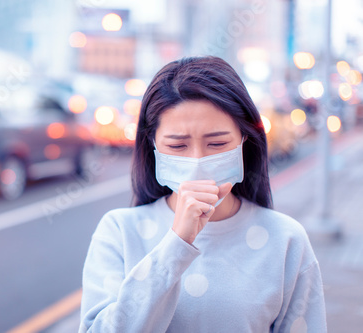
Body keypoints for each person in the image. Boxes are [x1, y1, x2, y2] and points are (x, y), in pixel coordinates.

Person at [79, 56, 327, 332]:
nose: (198, 160)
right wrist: (177, 243)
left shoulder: (286, 240)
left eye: (217, 143)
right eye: (177, 146)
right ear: (153, 144)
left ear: (245, 141)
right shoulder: (119, 231)